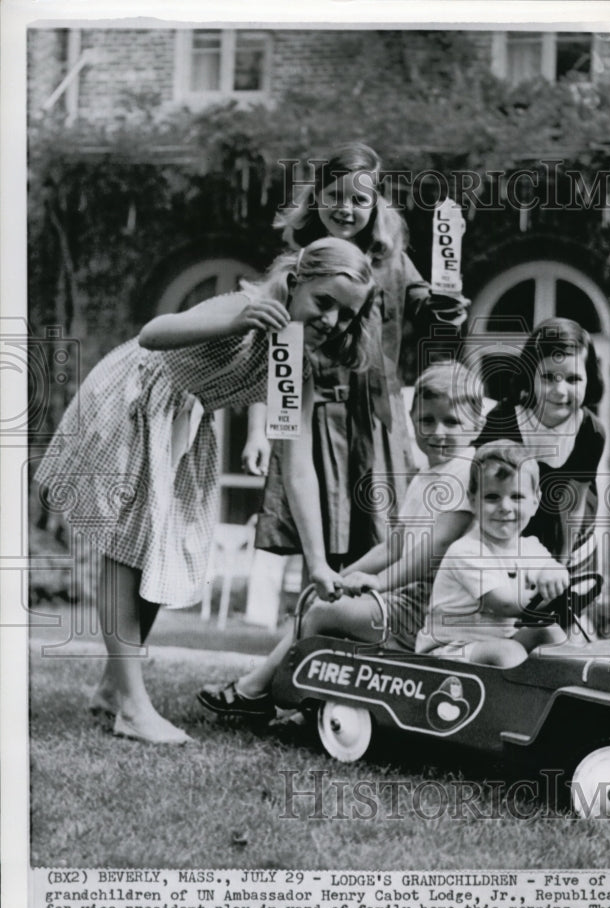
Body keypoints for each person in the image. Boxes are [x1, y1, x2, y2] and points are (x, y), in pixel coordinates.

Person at [34, 237, 377, 744]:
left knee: (158, 553)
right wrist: (239, 320)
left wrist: (319, 560)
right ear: (298, 279)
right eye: (324, 302)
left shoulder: (297, 362)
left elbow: (298, 464)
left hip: (184, 423)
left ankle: (113, 688)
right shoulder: (245, 305)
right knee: (126, 551)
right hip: (138, 399)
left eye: (346, 315)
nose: (331, 320)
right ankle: (130, 704)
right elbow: (153, 334)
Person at [197, 360, 484, 718]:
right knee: (321, 604)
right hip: (408, 598)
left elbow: (435, 549)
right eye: (427, 421)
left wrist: (377, 583)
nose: (437, 432)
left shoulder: (467, 472)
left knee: (321, 614)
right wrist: (344, 577)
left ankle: (258, 692)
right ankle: (302, 698)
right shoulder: (426, 476)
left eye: (451, 422)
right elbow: (396, 545)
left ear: (477, 425)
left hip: (432, 610)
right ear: (412, 421)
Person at [243, 142, 469, 565]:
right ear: (317, 199)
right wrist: (260, 427)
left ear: (375, 205)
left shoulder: (393, 263)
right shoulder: (301, 265)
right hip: (315, 415)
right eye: (334, 196)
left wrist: (447, 301)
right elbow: (273, 352)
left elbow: (429, 311)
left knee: (381, 539)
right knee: (320, 542)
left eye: (359, 199)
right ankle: (316, 620)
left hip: (377, 420)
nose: (345, 209)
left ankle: (365, 623)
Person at [473, 317, 605, 581]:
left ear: (589, 379)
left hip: (567, 522)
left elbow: (575, 503)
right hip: (511, 515)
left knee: (561, 596)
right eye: (548, 377)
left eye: (573, 379)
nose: (560, 390)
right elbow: (481, 493)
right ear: (530, 375)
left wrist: (561, 565)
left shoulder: (591, 431)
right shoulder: (504, 421)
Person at [415, 442, 570, 667]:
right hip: (447, 650)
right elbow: (504, 605)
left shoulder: (529, 547)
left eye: (517, 497)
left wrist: (555, 575)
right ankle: (520, 701)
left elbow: (551, 569)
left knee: (550, 634)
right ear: (473, 501)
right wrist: (550, 596)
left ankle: (561, 695)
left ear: (535, 502)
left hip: (495, 642)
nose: (505, 506)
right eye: (492, 497)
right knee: (509, 653)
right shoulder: (467, 551)